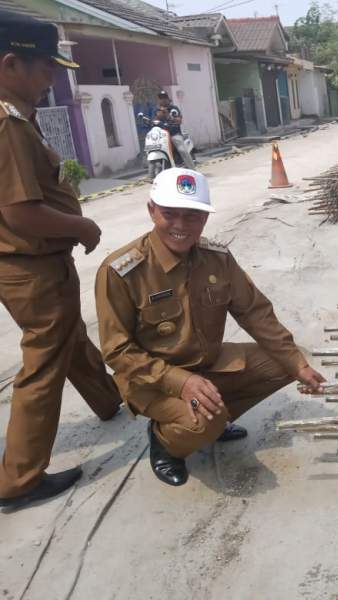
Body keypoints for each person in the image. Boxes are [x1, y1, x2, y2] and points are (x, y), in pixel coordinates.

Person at [95, 168, 326, 486]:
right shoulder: (122, 271)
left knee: (285, 360)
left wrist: (298, 366)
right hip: (153, 381)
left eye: (192, 216)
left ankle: (216, 418)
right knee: (204, 421)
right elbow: (117, 351)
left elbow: (255, 313)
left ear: (204, 218)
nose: (180, 226)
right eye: (169, 214)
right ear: (151, 211)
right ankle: (167, 442)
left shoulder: (217, 258)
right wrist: (180, 382)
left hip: (206, 363)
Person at [0, 9, 123, 511]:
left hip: (33, 265)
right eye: (45, 68)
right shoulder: (8, 126)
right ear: (12, 64)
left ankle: (111, 400)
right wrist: (81, 226)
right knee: (44, 362)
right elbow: (22, 212)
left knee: (67, 336)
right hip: (30, 264)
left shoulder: (17, 120)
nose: (52, 78)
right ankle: (20, 479)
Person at [155, 90, 195, 169]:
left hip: (174, 134)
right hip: (162, 136)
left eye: (164, 98)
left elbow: (179, 121)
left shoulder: (174, 108)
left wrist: (168, 115)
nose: (163, 100)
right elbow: (155, 120)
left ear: (168, 98)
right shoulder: (157, 110)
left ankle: (192, 169)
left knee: (182, 150)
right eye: (161, 98)